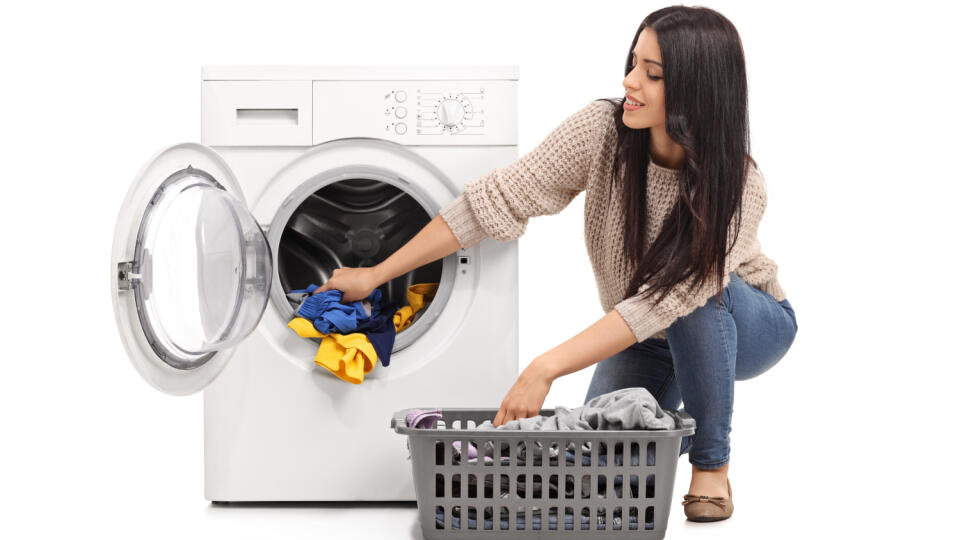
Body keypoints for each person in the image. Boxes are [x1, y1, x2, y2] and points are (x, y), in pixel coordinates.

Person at [311, 5, 797, 522]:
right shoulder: (604, 131)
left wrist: (544, 368)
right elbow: (499, 199)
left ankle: (711, 466)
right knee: (586, 473)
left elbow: (668, 299)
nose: (630, 81)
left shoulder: (740, 185)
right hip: (645, 336)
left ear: (699, 89)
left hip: (744, 326)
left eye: (653, 75)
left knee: (696, 295)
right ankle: (666, 431)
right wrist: (375, 273)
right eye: (633, 63)